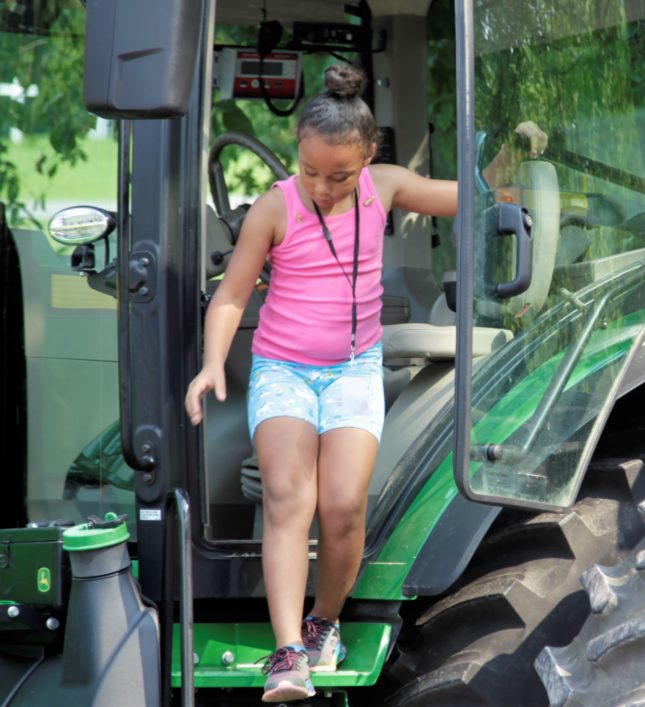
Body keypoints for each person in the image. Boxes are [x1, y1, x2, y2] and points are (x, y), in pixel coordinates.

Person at [184, 64, 545, 703]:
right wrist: (213, 363)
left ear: (369, 157)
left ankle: (323, 624)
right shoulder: (275, 207)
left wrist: (514, 162)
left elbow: (474, 195)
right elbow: (232, 295)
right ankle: (287, 654)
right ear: (298, 153)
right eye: (311, 171)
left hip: (353, 369)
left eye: (340, 176)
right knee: (288, 498)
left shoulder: (386, 187)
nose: (323, 188)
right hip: (284, 371)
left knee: (345, 507)